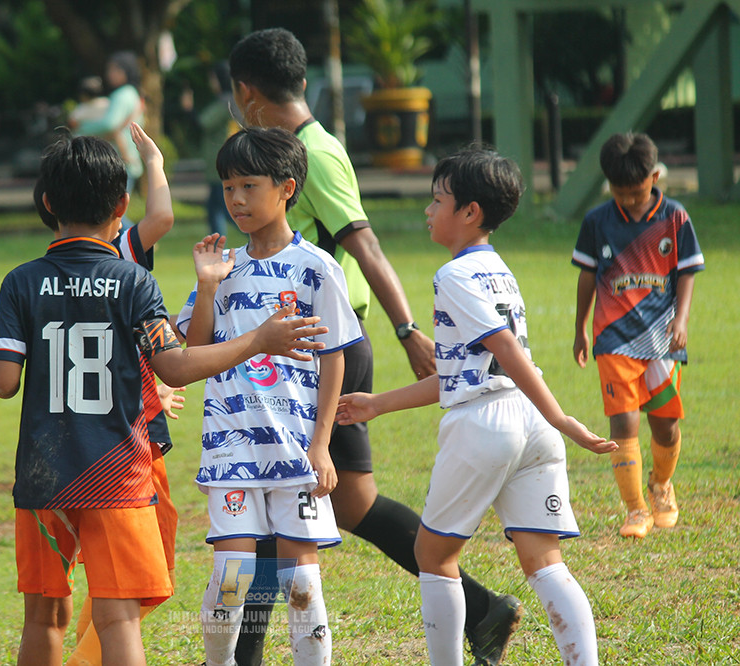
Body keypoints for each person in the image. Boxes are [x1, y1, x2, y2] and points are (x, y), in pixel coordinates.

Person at [227, 27, 521, 665]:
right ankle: (483, 608)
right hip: (313, 345)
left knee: (280, 493)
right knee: (352, 502)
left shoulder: (314, 154)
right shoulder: (299, 146)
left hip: (322, 349)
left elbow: (365, 244)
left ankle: (241, 656)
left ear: (246, 92)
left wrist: (408, 328)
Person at [0, 132, 329, 666]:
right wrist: (258, 340)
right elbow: (174, 366)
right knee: (117, 616)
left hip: (43, 475)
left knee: (43, 615)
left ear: (47, 203)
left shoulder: (21, 281)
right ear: (121, 206)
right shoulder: (133, 279)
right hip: (118, 475)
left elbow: (5, 380)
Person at [336, 147, 618, 666]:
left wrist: (563, 417)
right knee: (543, 560)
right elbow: (460, 371)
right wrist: (378, 404)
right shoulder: (499, 271)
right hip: (526, 423)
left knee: (432, 554)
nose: (428, 209)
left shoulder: (455, 277)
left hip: (488, 425)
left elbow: (505, 352)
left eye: (437, 199)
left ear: (469, 212)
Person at [176, 126, 360, 665]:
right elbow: (193, 349)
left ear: (286, 187)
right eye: (228, 186)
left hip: (296, 450)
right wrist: (207, 287)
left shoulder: (317, 268)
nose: (235, 199)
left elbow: (335, 358)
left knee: (301, 584)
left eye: (248, 185)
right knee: (230, 576)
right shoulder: (221, 267)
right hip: (232, 445)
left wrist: (322, 444)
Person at [29, 124, 183, 666]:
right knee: (135, 576)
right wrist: (153, 162)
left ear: (48, 203)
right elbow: (161, 216)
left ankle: (92, 651)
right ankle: (92, 656)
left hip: (60, 446)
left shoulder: (35, 276)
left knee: (59, 602)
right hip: (123, 438)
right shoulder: (124, 257)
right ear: (120, 204)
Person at [572, 132, 704, 539]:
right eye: (619, 191)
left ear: (655, 176)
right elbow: (587, 276)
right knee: (623, 423)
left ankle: (661, 485)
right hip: (612, 336)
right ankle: (635, 510)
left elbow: (686, 274)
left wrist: (680, 321)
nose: (627, 199)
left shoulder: (675, 218)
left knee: (665, 424)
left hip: (661, 338)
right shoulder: (597, 221)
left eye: (635, 191)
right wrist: (580, 327)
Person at [76, 52, 145, 195]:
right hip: (127, 158)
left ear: (126, 71)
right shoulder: (133, 94)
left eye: (114, 69)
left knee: (115, 213)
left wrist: (81, 127)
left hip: (119, 159)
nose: (109, 74)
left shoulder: (122, 95)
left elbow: (110, 124)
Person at [197, 61, 239, 236]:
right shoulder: (236, 101)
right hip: (222, 164)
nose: (211, 83)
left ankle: (261, 234)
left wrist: (189, 109)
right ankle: (216, 248)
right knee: (214, 210)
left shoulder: (226, 102)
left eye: (213, 78)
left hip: (220, 165)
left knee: (226, 210)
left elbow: (204, 121)